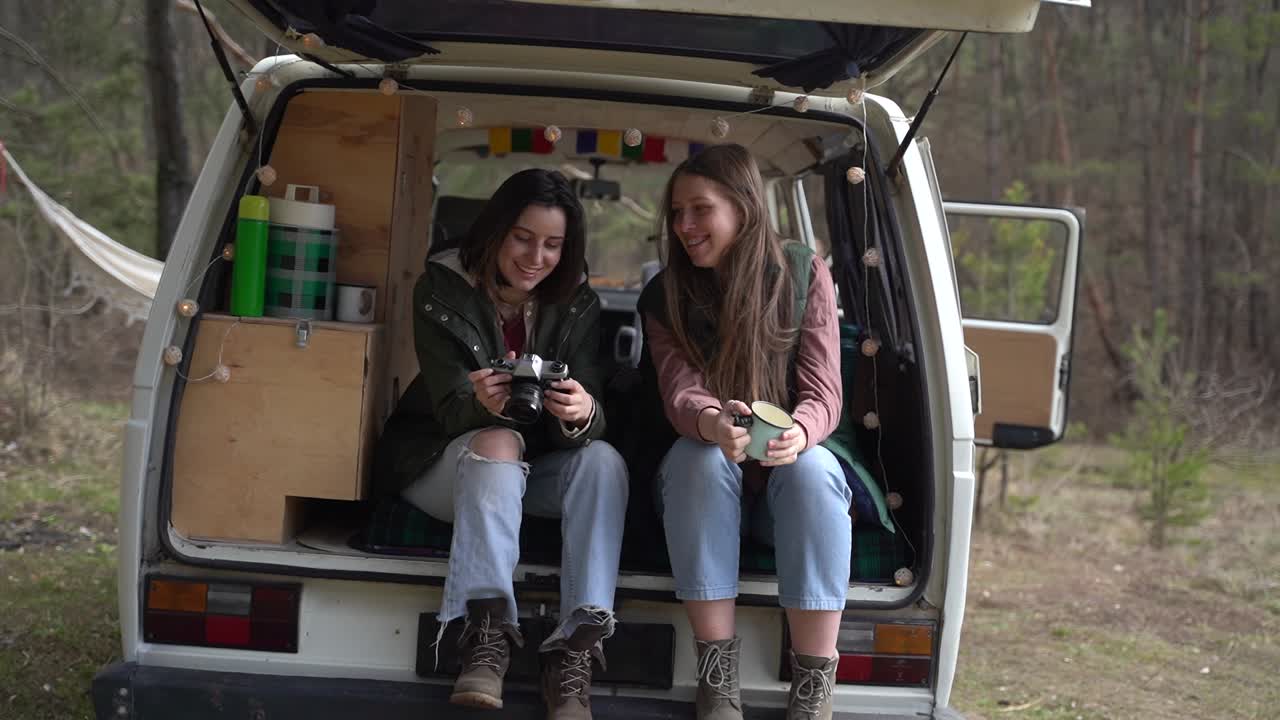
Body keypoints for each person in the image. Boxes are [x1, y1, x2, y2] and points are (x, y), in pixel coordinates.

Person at [378, 169, 629, 719]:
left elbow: (595, 416)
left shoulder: (578, 303)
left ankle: (576, 650)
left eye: (554, 244)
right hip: (443, 463)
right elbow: (447, 411)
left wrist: (582, 414)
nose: (537, 257)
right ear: (496, 229)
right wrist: (480, 403)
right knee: (496, 441)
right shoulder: (440, 288)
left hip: (526, 474)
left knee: (603, 461)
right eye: (523, 237)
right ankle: (486, 634)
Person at [637, 144, 852, 720]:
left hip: (782, 485)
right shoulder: (664, 295)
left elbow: (823, 389)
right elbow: (678, 388)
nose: (684, 226)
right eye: (677, 212)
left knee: (815, 469)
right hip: (700, 489)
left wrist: (800, 434)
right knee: (697, 457)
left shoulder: (805, 272)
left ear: (744, 207)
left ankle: (813, 692)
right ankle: (718, 680)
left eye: (700, 209)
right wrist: (711, 421)